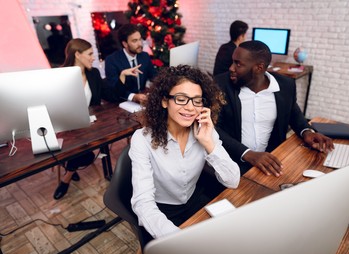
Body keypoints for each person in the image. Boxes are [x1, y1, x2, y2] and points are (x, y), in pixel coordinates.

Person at [129, 65, 240, 241]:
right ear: (165, 101)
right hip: (162, 211)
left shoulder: (204, 130)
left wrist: (208, 143)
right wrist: (179, 240)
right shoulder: (142, 139)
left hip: (194, 200)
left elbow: (232, 181)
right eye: (181, 99)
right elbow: (143, 204)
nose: (190, 108)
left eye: (197, 100)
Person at [215, 40, 334, 176]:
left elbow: (294, 114)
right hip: (232, 162)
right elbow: (213, 128)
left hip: (271, 162)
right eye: (233, 61)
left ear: (259, 68)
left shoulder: (285, 85)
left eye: (238, 64)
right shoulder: (220, 84)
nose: (231, 68)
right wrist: (247, 154)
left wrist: (307, 132)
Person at [53, 38, 141, 200]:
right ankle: (66, 179)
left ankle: (70, 170)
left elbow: (111, 96)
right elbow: (54, 106)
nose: (93, 58)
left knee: (85, 151)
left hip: (88, 126)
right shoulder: (60, 75)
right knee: (83, 153)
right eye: (90, 54)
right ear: (78, 55)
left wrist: (122, 76)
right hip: (67, 127)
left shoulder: (93, 74)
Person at [105, 24, 157, 104]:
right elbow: (114, 91)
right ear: (125, 44)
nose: (140, 44)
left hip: (143, 100)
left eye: (140, 39)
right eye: (135, 41)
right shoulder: (112, 60)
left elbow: (154, 77)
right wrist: (133, 96)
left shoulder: (144, 56)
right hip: (121, 103)